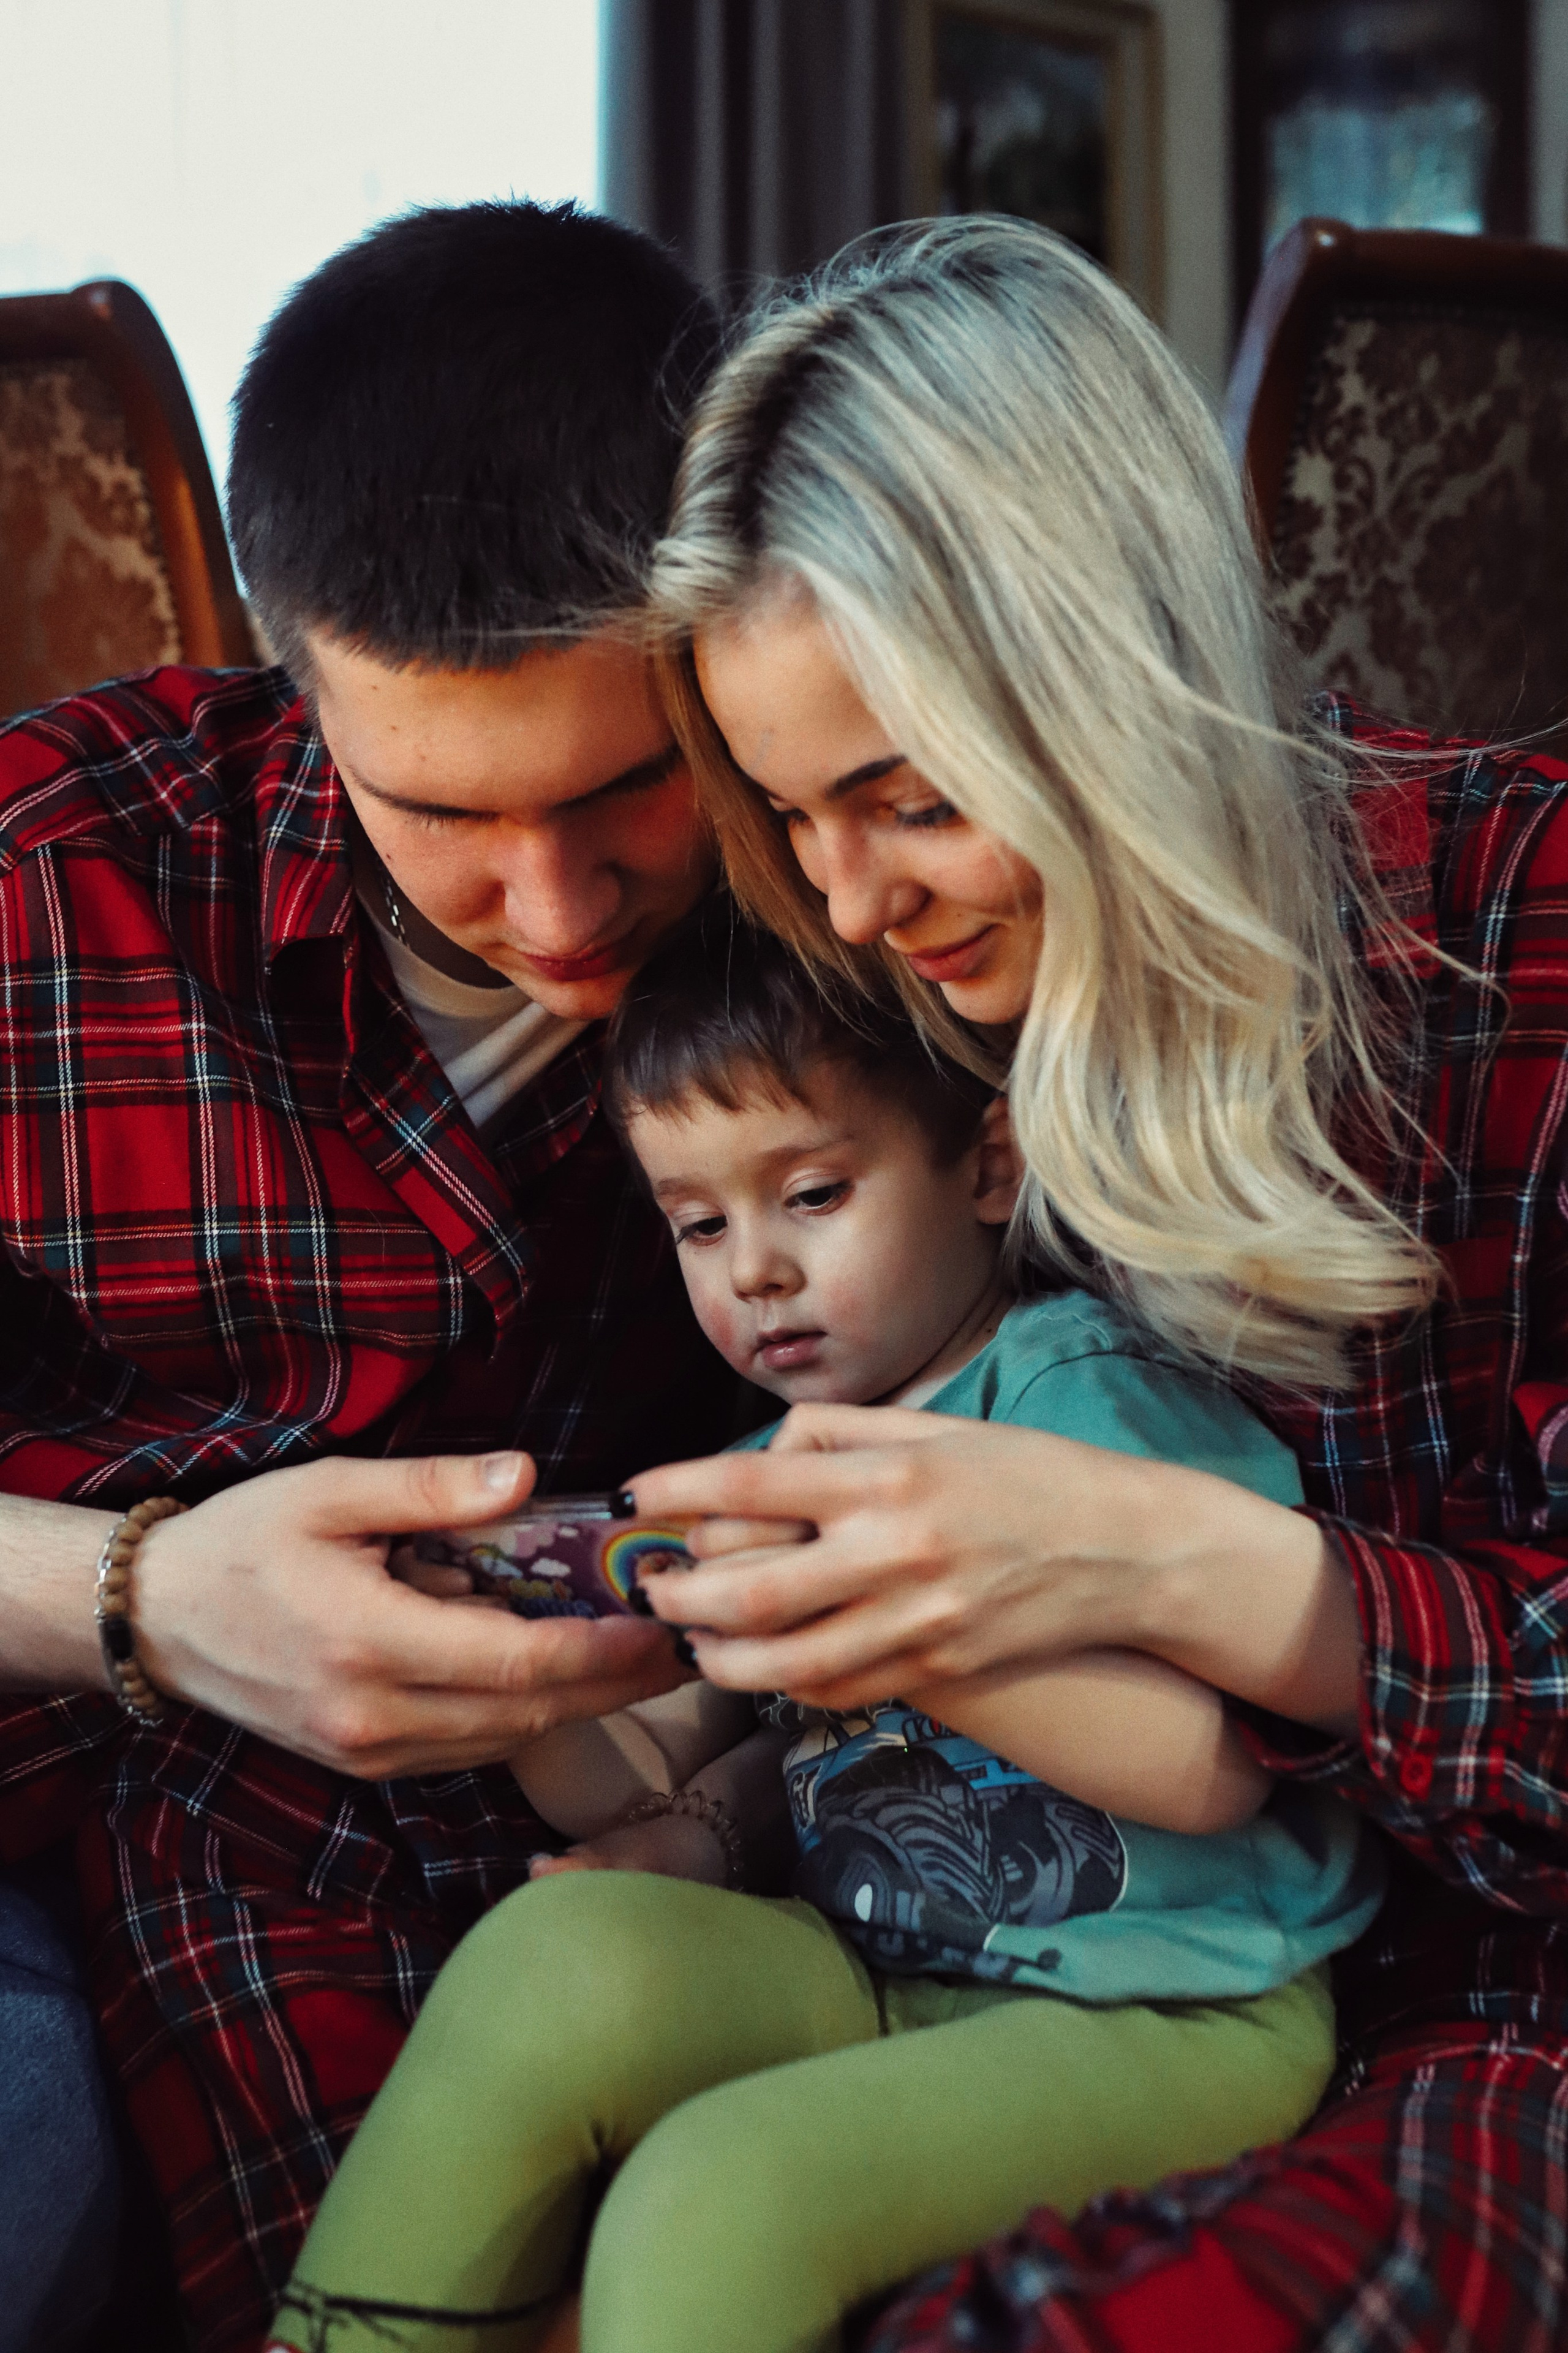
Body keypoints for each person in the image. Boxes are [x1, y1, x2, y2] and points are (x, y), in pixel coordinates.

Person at [623, 218, 1568, 2349]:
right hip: (1130, 1957)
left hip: (1496, 1984)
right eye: (795, 817)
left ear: (1104, 683)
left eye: (912, 797)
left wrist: (1173, 1560)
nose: (849, 904)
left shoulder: (1530, 929)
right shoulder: (958, 1045)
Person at [269, 908, 1380, 2353]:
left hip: (1172, 2002)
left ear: (984, 1162)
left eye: (809, 1194)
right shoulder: (773, 1456)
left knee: (711, 2195)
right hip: (876, 1971)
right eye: (698, 1222)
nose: (754, 1272)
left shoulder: (1074, 1394)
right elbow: (662, 1768)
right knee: (553, 1948)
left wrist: (877, 1634)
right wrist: (533, 1676)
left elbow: (1214, 1768)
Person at [0, 200, 744, 2350]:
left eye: (627, 785)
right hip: (61, 1797)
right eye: (439, 810)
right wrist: (143, 1600)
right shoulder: (56, 884)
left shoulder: (844, 896)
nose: (560, 906)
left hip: (575, 1852)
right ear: (289, 661)